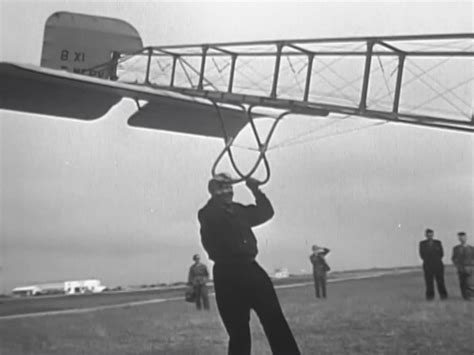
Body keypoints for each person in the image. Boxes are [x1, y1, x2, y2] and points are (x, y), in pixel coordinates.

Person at [198, 173, 300, 355]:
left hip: (252, 270)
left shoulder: (239, 211)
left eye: (230, 187)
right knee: (238, 334)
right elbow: (212, 216)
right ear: (213, 192)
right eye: (222, 188)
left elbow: (266, 212)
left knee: (276, 323)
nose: (228, 191)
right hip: (227, 276)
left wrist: (255, 190)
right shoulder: (207, 214)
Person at [418, 228, 448, 300]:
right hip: (428, 265)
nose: (430, 236)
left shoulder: (438, 243)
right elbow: (422, 255)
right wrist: (429, 260)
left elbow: (441, 254)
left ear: (433, 235)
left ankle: (443, 296)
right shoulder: (422, 243)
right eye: (428, 235)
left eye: (431, 235)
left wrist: (436, 260)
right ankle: (430, 297)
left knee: (440, 281)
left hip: (438, 265)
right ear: (426, 235)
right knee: (429, 282)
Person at [451, 232, 474, 301]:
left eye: (463, 237)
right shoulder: (456, 248)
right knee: (462, 283)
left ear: (466, 238)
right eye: (460, 237)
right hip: (461, 268)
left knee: (470, 283)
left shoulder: (471, 248)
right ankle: (465, 297)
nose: (462, 238)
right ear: (458, 239)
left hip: (470, 268)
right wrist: (457, 265)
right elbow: (453, 258)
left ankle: (471, 297)